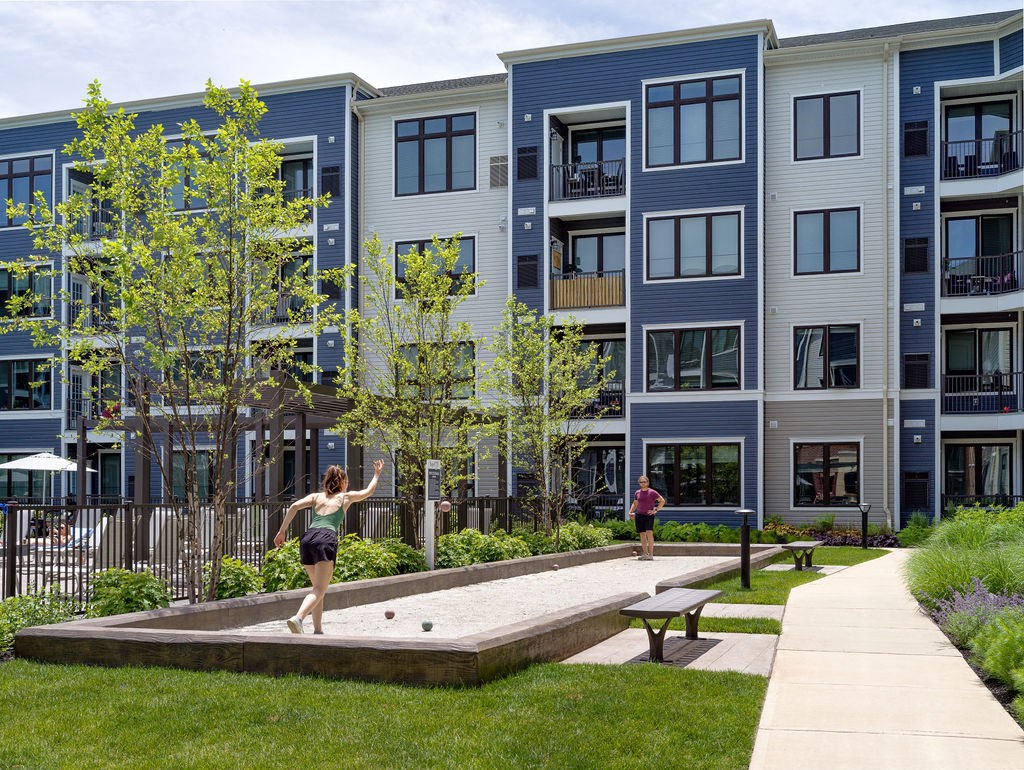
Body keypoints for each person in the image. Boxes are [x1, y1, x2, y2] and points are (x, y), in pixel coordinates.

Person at [274, 458, 384, 634]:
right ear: (343, 483)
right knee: (320, 588)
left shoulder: (316, 497)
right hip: (325, 539)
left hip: (308, 539)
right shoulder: (344, 497)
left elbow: (294, 506)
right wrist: (377, 474)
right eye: (346, 482)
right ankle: (298, 618)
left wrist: (281, 532)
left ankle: (318, 630)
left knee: (317, 588)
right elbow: (368, 491)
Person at [628, 475, 665, 560]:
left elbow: (662, 501)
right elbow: (635, 503)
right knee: (642, 535)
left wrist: (655, 510)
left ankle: (651, 554)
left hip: (649, 515)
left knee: (649, 533)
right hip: (639, 515)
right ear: (639, 483)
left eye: (644, 482)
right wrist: (630, 512)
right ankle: (645, 553)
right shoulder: (637, 492)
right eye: (641, 482)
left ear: (648, 483)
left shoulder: (652, 492)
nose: (643, 483)